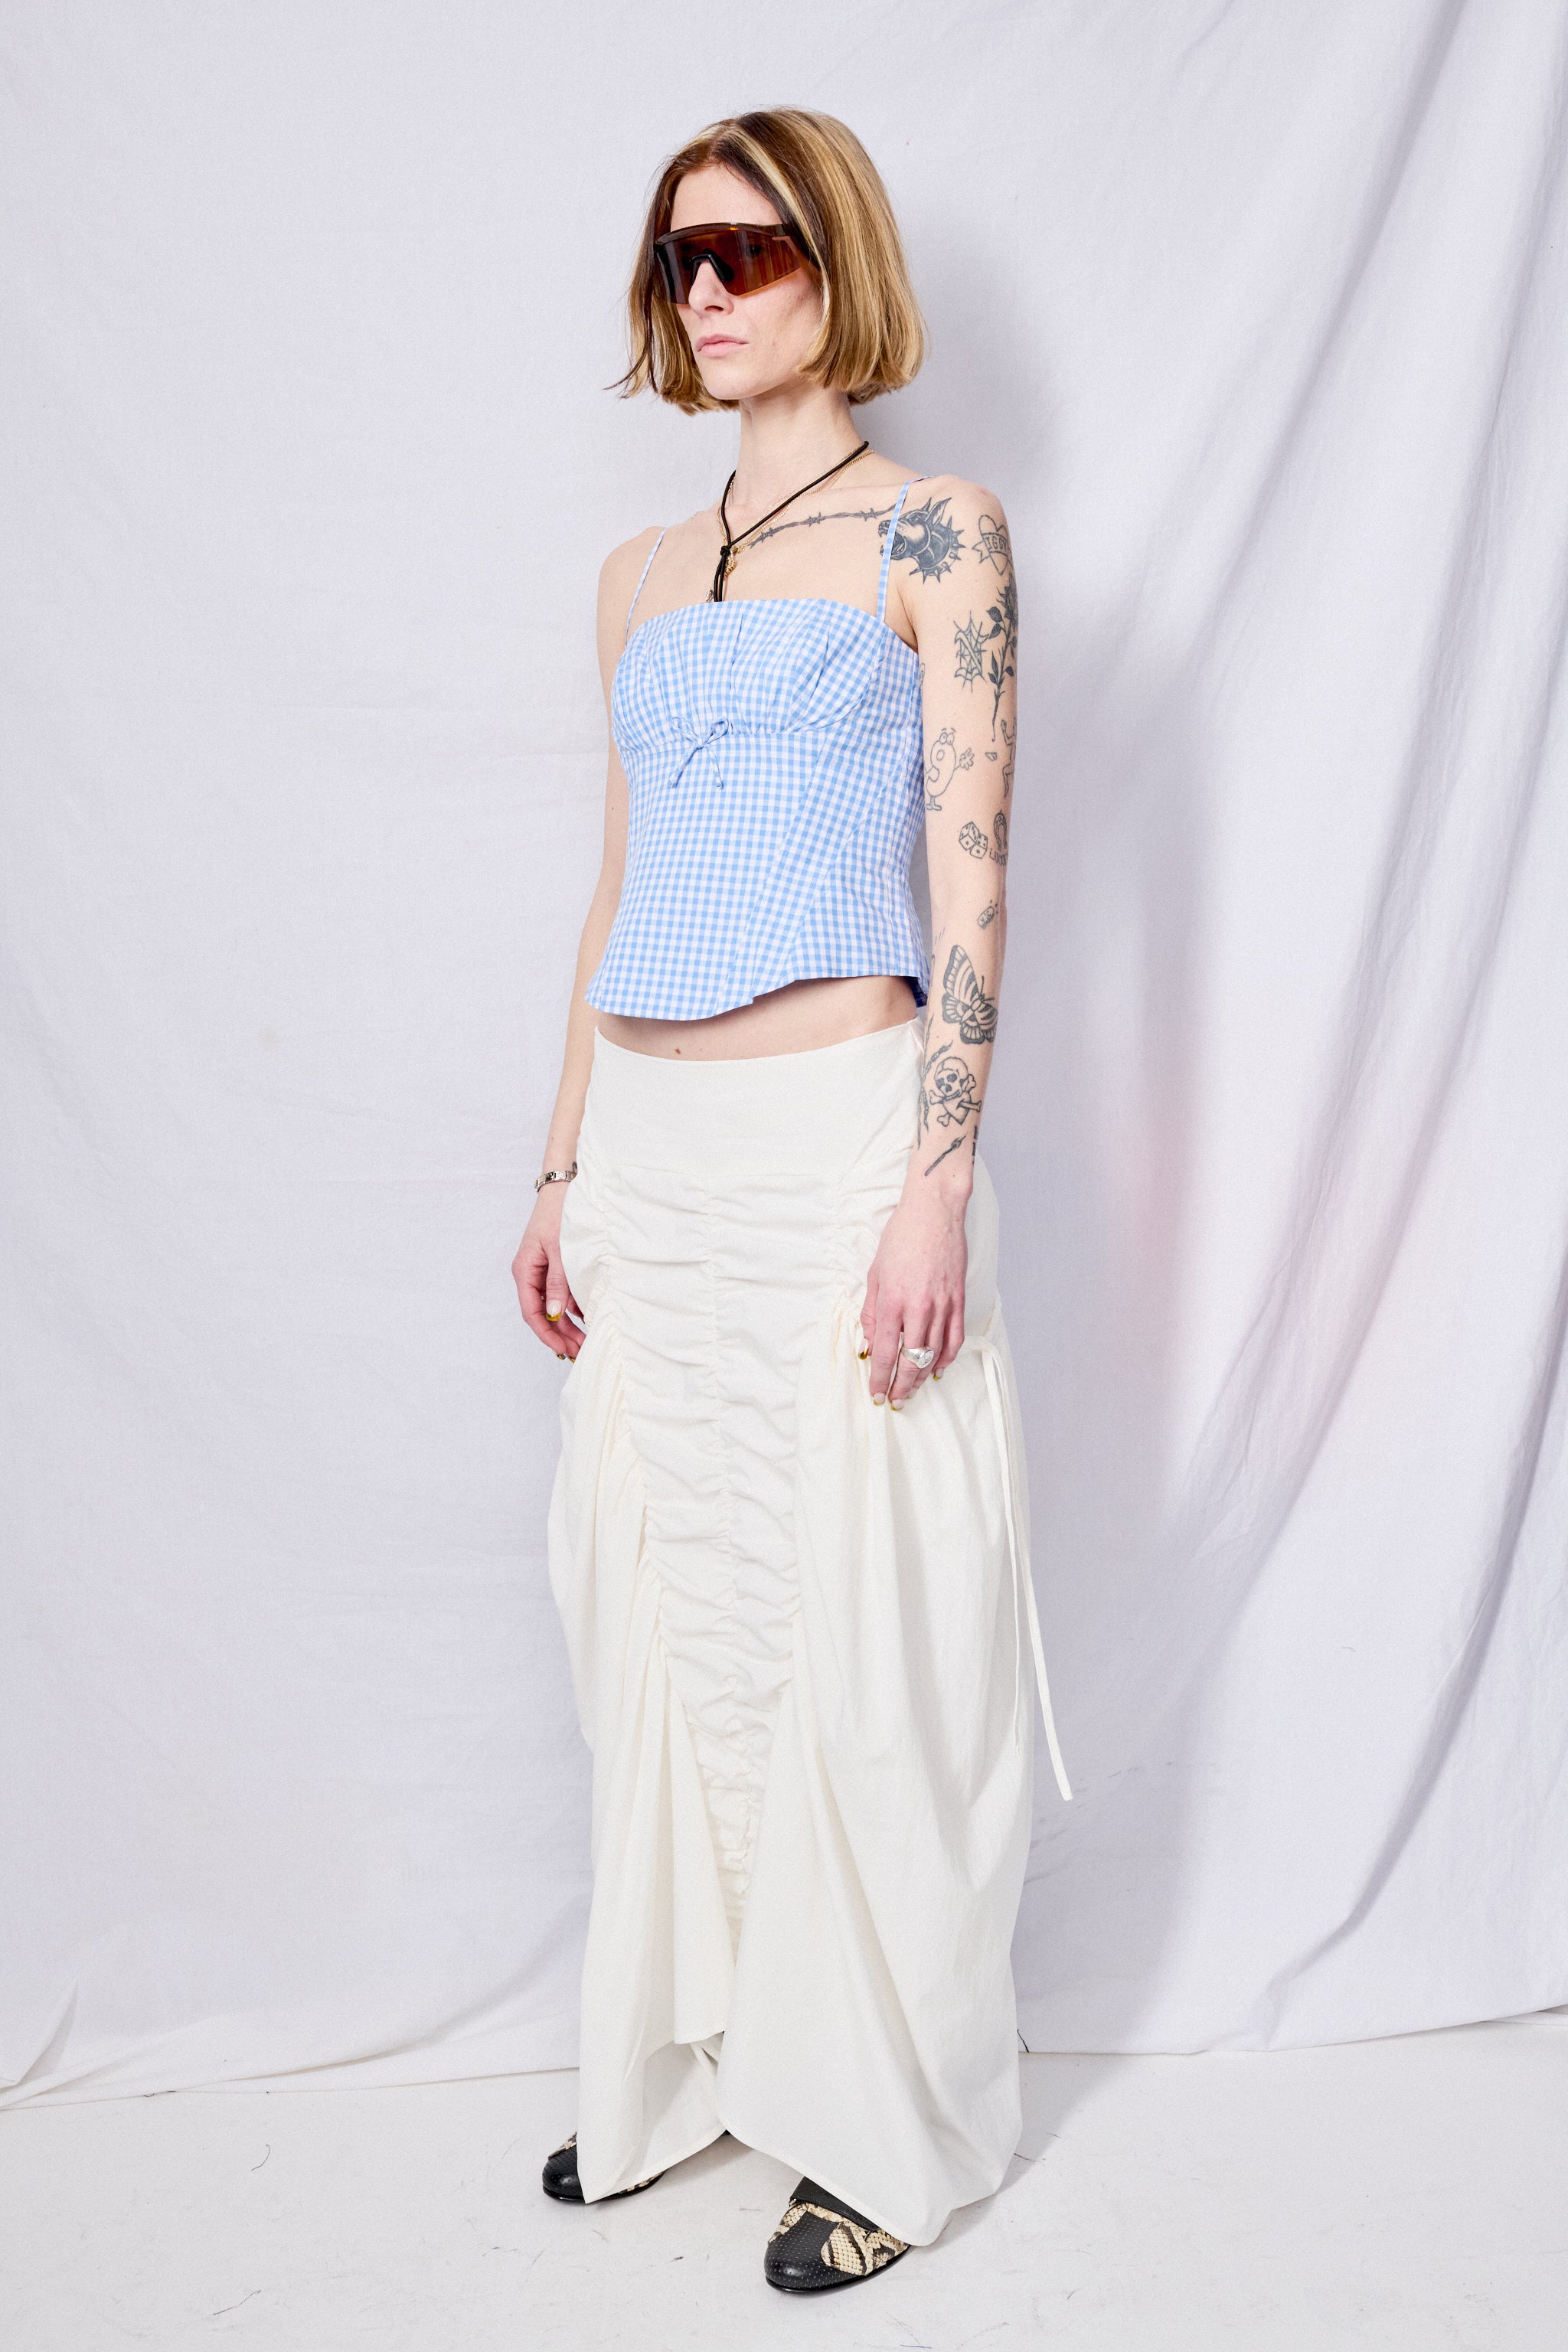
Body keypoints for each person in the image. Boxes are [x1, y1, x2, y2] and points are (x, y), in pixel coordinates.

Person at [511, 106, 1070, 2297]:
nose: (709, 291)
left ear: (837, 262)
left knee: (872, 1624)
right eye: (680, 259)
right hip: (653, 1155)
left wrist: (941, 1178)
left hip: (841, 1127)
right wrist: (560, 1162)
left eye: (747, 249)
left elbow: (975, 877)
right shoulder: (640, 576)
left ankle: (888, 2119)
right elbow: (618, 887)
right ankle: (702, 2064)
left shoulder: (942, 533)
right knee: (682, 1614)